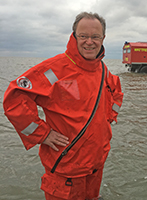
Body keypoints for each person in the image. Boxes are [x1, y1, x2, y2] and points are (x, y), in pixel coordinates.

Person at [3, 12, 123, 200]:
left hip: (95, 166)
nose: (89, 42)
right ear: (74, 36)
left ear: (103, 39)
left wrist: (107, 121)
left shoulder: (103, 70)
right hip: (65, 170)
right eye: (83, 36)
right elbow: (15, 97)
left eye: (95, 37)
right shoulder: (55, 68)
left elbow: (116, 91)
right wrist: (42, 133)